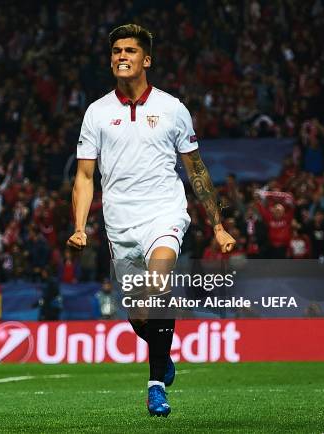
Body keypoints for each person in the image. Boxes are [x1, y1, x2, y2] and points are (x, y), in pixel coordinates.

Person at [67, 24, 235, 417]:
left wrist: (218, 224)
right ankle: (162, 354)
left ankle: (155, 384)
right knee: (139, 314)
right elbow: (85, 176)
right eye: (115, 51)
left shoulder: (173, 108)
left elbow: (196, 170)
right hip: (119, 222)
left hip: (164, 212)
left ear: (146, 60)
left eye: (129, 51)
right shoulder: (96, 113)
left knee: (159, 285)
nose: (121, 56)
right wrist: (78, 226)